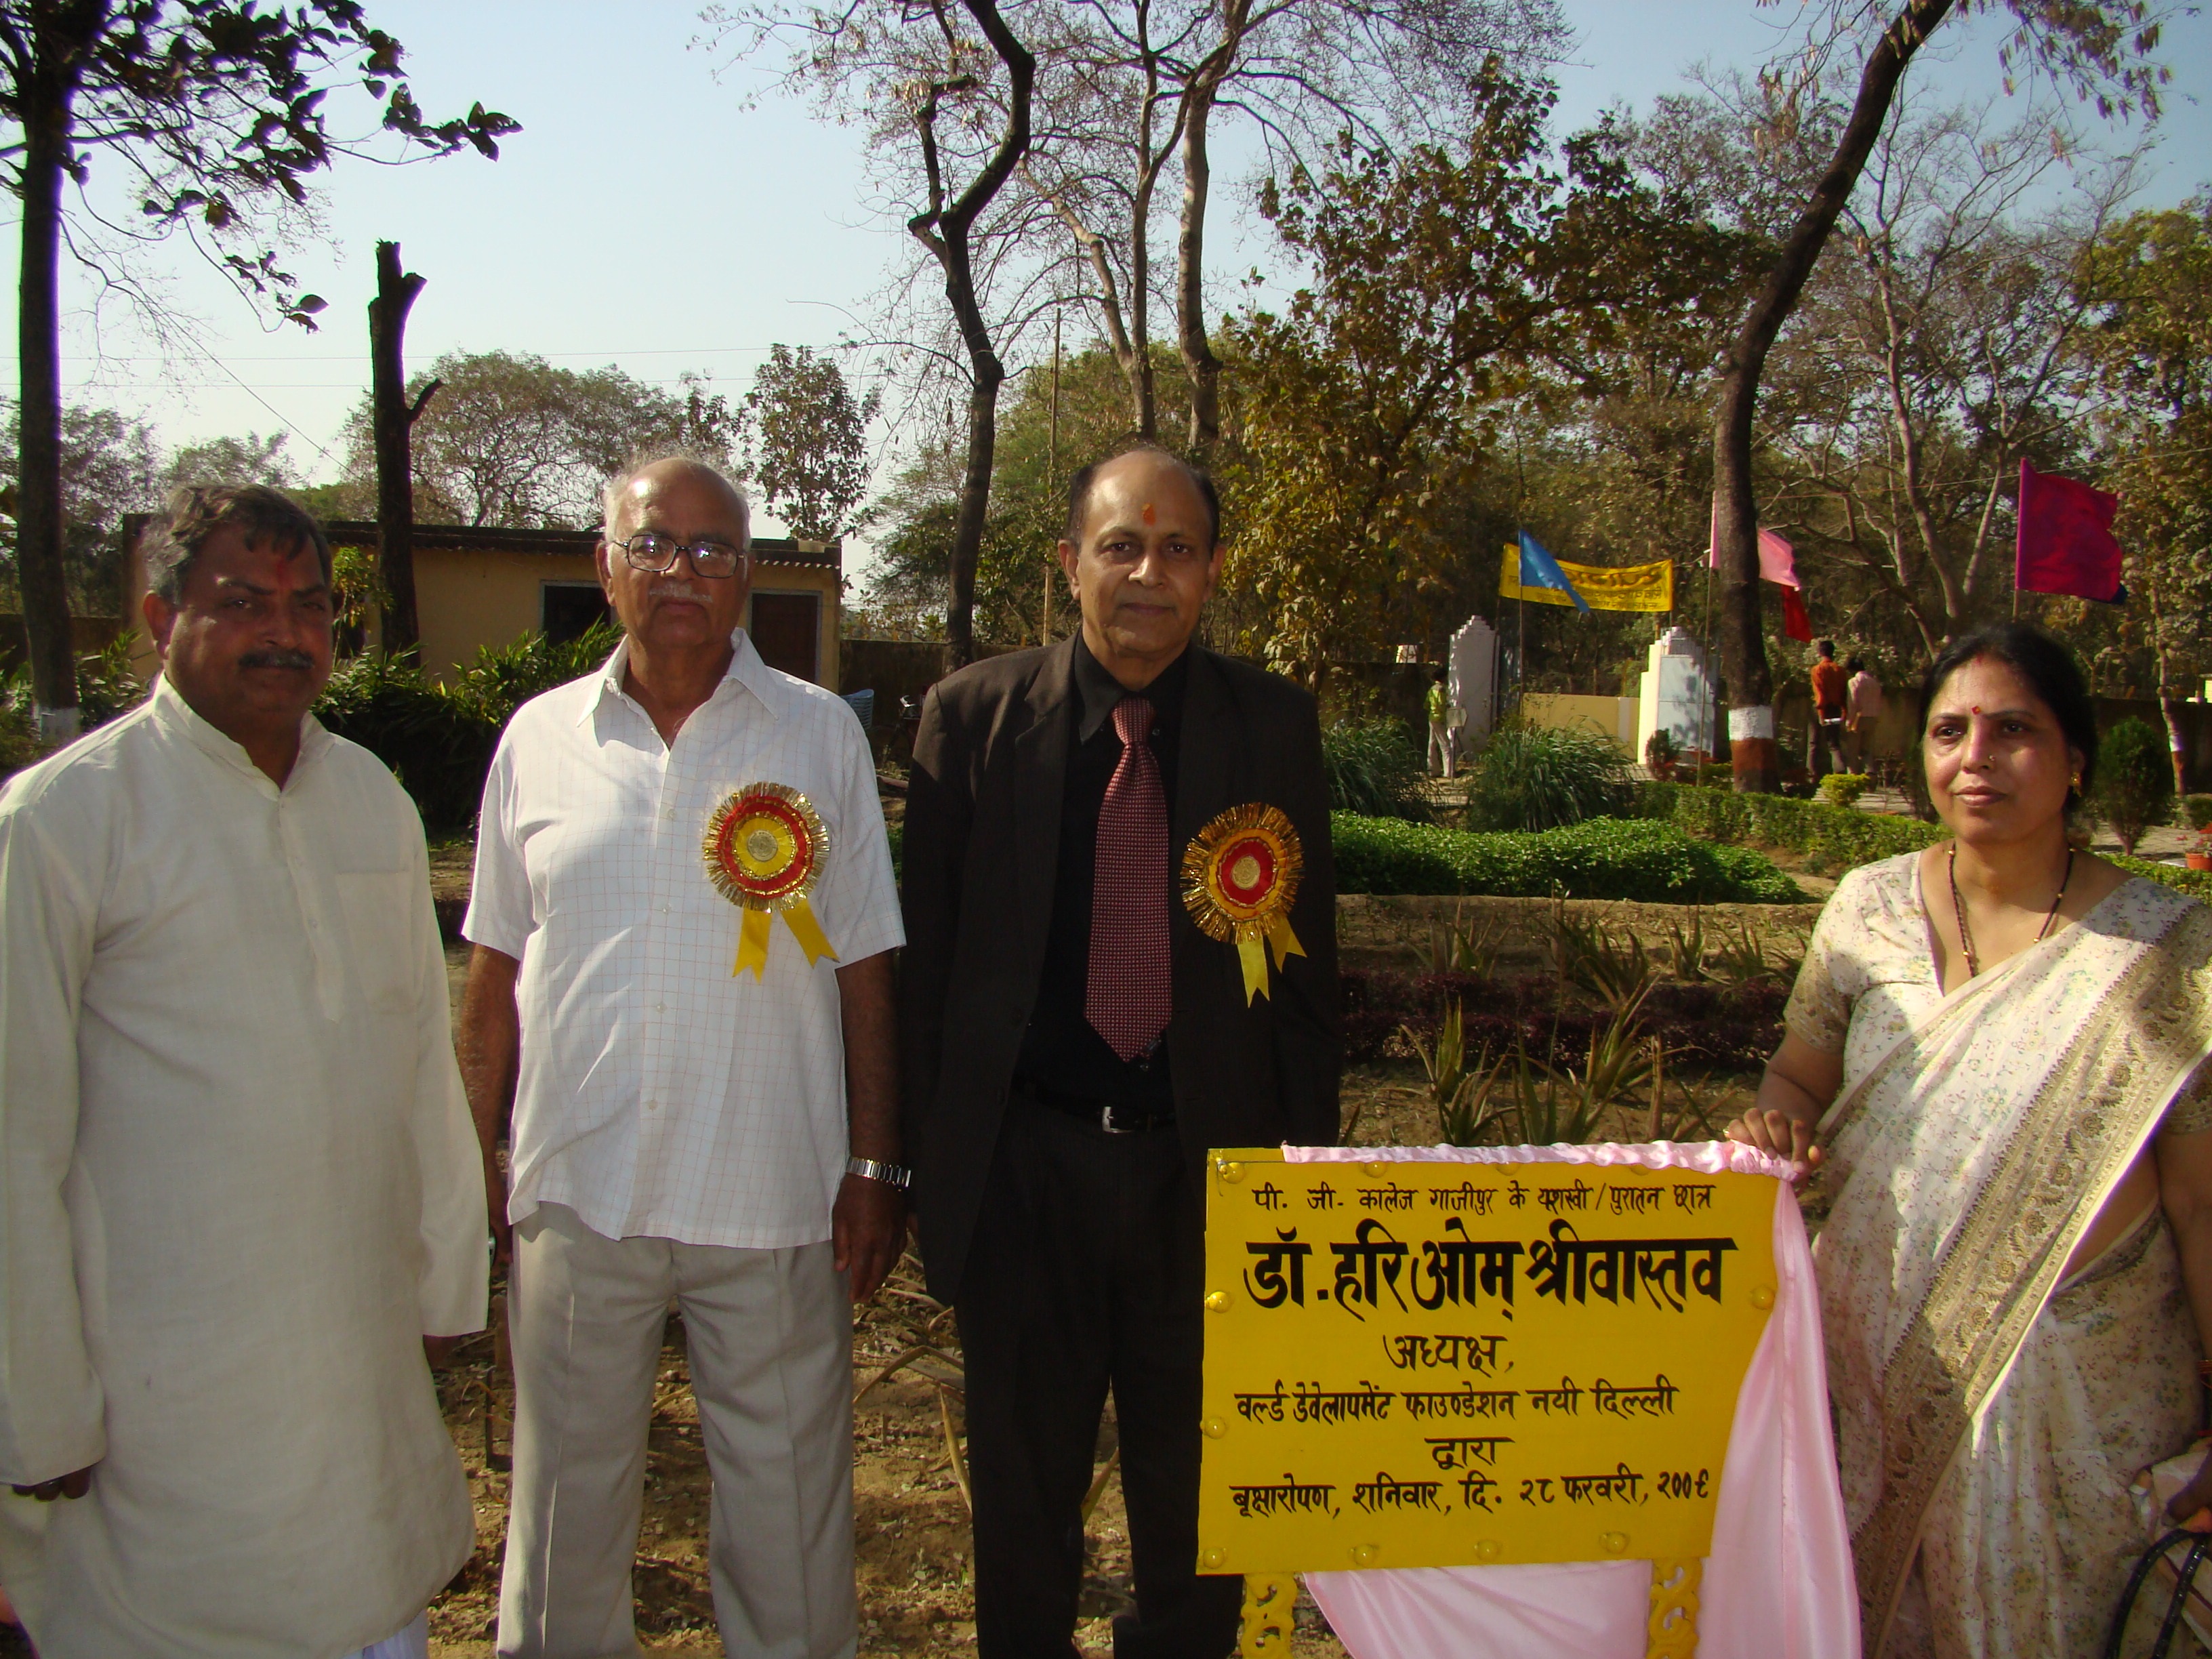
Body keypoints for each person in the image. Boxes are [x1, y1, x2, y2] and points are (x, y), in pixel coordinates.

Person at [0, 486, 488, 1658]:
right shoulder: (64, 819)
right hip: (157, 1397)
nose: (285, 630)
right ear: (159, 618)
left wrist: (444, 1278)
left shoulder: (370, 798)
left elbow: (422, 1056)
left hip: (356, 1352)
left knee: (368, 1588)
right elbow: (14, 1136)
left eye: (310, 604)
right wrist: (38, 1406)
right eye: (241, 602)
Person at [900, 443, 1341, 1659]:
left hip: (1205, 1184)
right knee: (1022, 1516)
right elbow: (925, 980)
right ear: (1068, 565)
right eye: (1119, 545)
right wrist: (915, 1178)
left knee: (1197, 1517)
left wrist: (1298, 1193)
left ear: (1211, 572)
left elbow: (1305, 983)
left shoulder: (1273, 728)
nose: (1148, 573)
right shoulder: (971, 721)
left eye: (1178, 548)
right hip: (1022, 1179)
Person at [460, 456, 905, 1659]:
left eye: (713, 550)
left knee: (790, 1527)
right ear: (603, 567)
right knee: (561, 1518)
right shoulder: (537, 739)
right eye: (654, 543)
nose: (682, 572)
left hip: (770, 1190)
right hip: (574, 1189)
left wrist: (874, 1163)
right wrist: (474, 1164)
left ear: (747, 579)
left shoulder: (818, 736)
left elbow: (864, 960)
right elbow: (493, 973)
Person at [1727, 621, 2212, 1659]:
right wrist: (1777, 1124)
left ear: (2075, 759)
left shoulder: (2171, 953)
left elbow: (2203, 1206)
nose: (1975, 758)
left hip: (2076, 1411)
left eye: (2013, 731)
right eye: (1950, 731)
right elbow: (1798, 1076)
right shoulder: (1866, 909)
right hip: (1866, 1390)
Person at [1809, 638, 1849, 780]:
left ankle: (1811, 774)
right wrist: (1845, 711)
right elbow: (1845, 693)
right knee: (1834, 744)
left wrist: (1820, 713)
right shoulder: (1840, 670)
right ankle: (1840, 773)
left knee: (1813, 743)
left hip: (1822, 707)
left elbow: (1820, 693)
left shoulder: (1817, 670)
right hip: (1836, 708)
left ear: (1820, 653)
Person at [1846, 657, 1884, 771]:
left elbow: (1854, 702)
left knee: (1852, 750)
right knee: (1867, 750)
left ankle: (1852, 777)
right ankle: (1870, 774)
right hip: (1873, 717)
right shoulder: (1874, 682)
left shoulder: (1854, 682)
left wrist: (1849, 721)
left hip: (1859, 718)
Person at [1426, 670, 1457, 779]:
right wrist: (1447, 707)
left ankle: (1433, 770)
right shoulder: (1442, 689)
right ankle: (1449, 772)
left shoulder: (1431, 690)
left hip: (1432, 718)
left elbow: (1426, 705)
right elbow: (1442, 704)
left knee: (1432, 744)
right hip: (1440, 718)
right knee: (1445, 746)